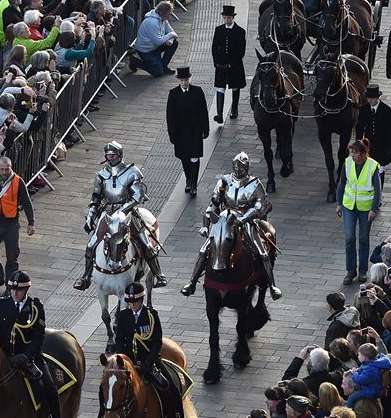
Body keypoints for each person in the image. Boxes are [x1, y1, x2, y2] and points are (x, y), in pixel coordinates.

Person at [181, 151, 282, 299]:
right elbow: (214, 203)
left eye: (241, 167)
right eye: (236, 166)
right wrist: (205, 224)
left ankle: (272, 286)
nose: (238, 169)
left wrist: (245, 217)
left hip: (245, 220)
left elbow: (260, 206)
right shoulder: (224, 181)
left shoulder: (255, 183)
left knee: (262, 252)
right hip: (224, 219)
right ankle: (192, 282)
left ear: (246, 167)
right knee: (204, 250)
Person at [73, 141, 166, 290]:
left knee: (146, 244)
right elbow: (95, 199)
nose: (111, 158)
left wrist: (123, 211)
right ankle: (85, 277)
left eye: (113, 155)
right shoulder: (102, 175)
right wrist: (90, 217)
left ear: (120, 155)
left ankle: (159, 274)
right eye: (108, 155)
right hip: (107, 213)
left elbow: (138, 196)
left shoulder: (132, 172)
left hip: (127, 212)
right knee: (91, 245)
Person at [0, 271, 61, 418]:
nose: (15, 293)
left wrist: (26, 356)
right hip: (7, 356)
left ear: (26, 290)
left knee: (49, 388)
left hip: (30, 358)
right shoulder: (2, 304)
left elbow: (38, 338)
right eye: (13, 289)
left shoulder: (35, 308)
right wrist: (6, 355)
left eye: (19, 290)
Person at [110, 282, 183, 418]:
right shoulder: (124, 316)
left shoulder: (151, 316)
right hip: (129, 362)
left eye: (135, 301)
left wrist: (148, 362)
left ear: (141, 299)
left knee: (172, 389)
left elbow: (157, 341)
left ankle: (177, 414)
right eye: (130, 301)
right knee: (109, 386)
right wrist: (123, 359)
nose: (132, 304)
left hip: (149, 362)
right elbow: (119, 340)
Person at [0, 156, 35, 296]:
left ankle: (10, 284)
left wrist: (31, 223)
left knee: (12, 256)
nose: (4, 172)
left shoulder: (18, 181)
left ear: (11, 167)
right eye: (1, 169)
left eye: (7, 169)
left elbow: (27, 202)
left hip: (11, 225)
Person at [336, 138, 382, 285]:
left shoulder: (372, 166)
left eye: (355, 152)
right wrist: (339, 203)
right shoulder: (347, 163)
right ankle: (351, 270)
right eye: (351, 152)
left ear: (363, 153)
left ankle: (362, 271)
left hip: (365, 209)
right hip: (349, 206)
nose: (352, 155)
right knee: (349, 238)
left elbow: (378, 190)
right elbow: (342, 183)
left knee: (363, 239)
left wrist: (374, 209)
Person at [166, 67, 209, 197]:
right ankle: (188, 180)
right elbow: (170, 115)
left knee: (194, 157)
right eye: (182, 80)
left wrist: (205, 128)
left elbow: (203, 111)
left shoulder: (197, 91)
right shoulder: (173, 94)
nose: (184, 82)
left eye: (186, 79)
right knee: (184, 158)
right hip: (180, 133)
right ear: (179, 80)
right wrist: (171, 133)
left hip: (195, 131)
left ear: (189, 79)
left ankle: (194, 185)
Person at [211, 4, 246, 124]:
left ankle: (234, 109)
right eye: (225, 18)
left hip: (234, 66)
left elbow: (240, 51)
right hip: (221, 65)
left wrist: (231, 64)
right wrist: (217, 64)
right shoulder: (218, 30)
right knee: (220, 87)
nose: (226, 20)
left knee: (235, 87)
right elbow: (214, 48)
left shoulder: (240, 32)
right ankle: (219, 114)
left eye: (229, 18)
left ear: (232, 18)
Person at [355, 82, 391, 186]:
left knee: (380, 171)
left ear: (377, 98)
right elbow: (359, 128)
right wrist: (358, 144)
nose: (370, 101)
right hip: (369, 145)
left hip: (381, 145)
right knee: (367, 170)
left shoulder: (386, 110)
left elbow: (390, 132)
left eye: (372, 99)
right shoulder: (364, 109)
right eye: (369, 99)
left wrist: (389, 150)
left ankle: (379, 193)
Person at [130, 0, 178, 77]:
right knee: (158, 73)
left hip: (154, 46)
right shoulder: (152, 22)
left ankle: (163, 66)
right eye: (169, 13)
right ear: (164, 13)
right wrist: (171, 35)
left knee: (174, 43)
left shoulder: (163, 19)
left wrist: (171, 39)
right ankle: (135, 61)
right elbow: (159, 41)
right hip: (146, 50)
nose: (170, 16)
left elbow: (172, 32)